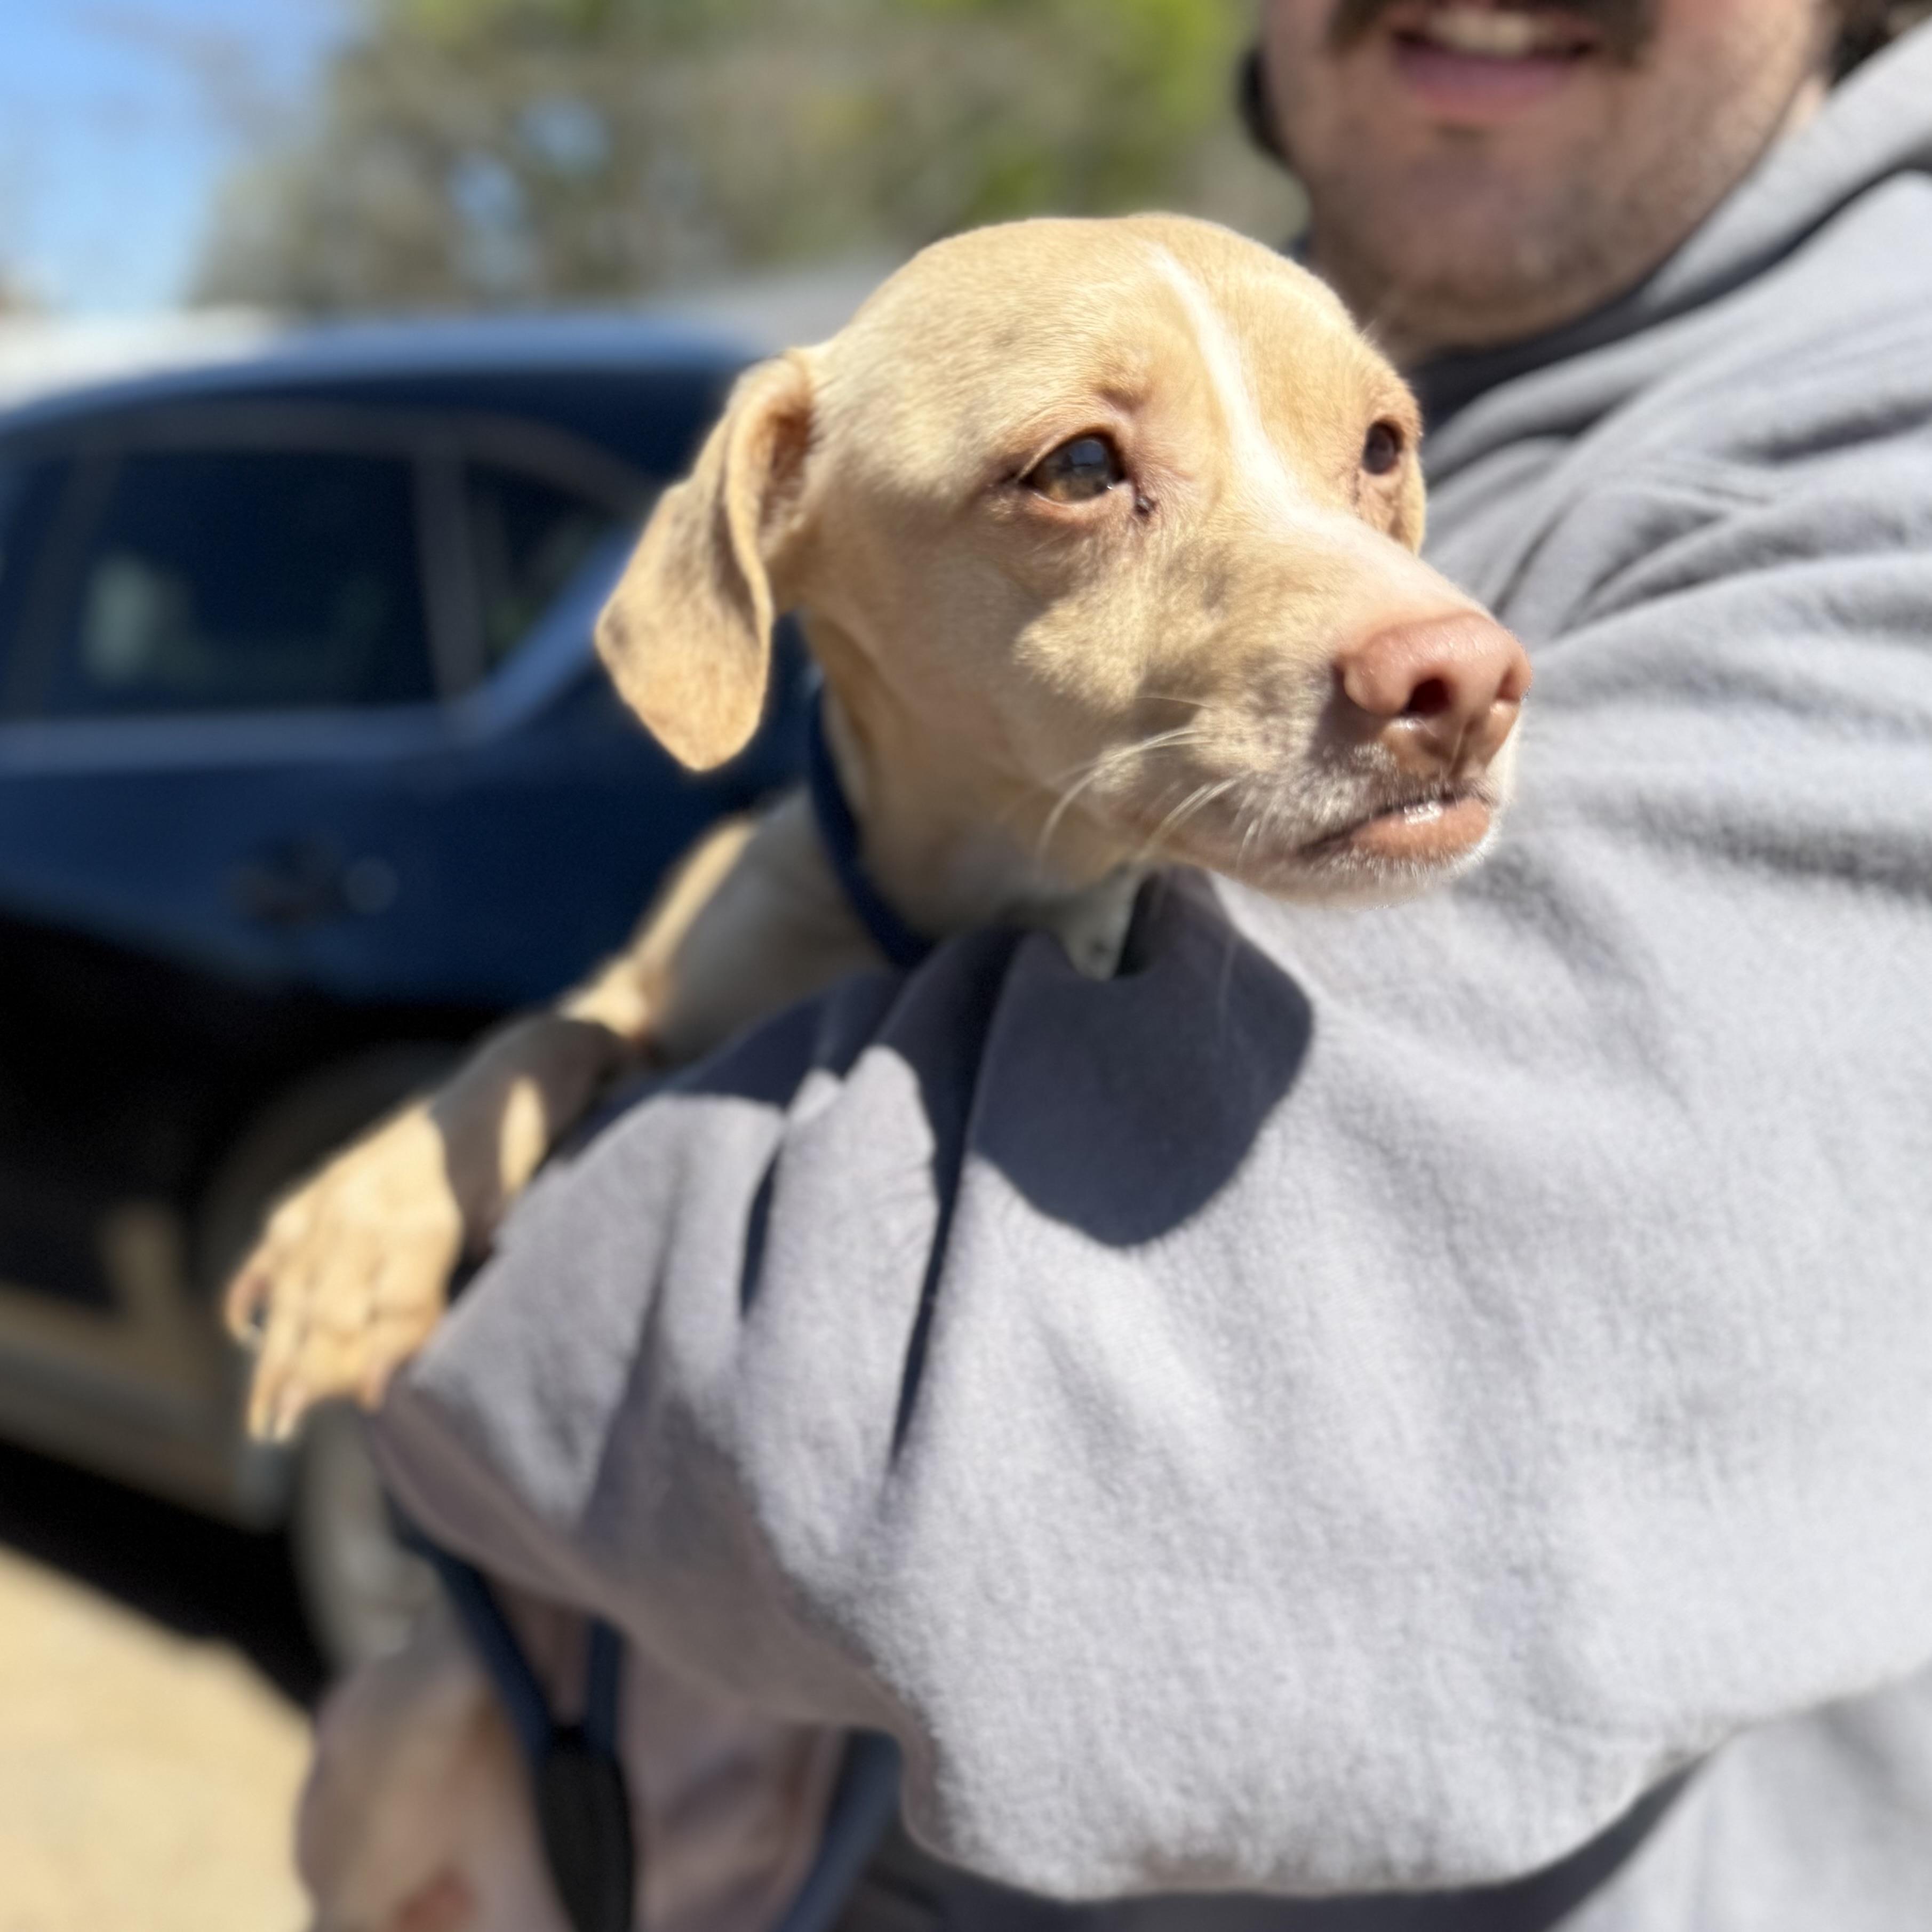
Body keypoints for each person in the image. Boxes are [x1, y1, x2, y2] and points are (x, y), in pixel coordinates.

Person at [370, 5, 1932, 1926]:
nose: (1434, 635)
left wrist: (491, 1281)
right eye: (1086, 470)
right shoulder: (1225, 307)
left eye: (1377, 453)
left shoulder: (1887, 435)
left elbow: (1074, 1525)